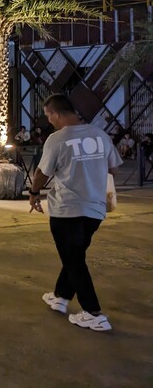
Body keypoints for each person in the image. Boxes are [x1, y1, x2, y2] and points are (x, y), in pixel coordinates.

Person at [28, 93, 121, 332]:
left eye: (49, 116)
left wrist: (34, 192)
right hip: (94, 209)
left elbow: (42, 172)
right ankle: (60, 297)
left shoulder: (57, 139)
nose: (49, 121)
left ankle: (94, 313)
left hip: (67, 209)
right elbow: (113, 169)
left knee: (74, 260)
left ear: (56, 114)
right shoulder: (100, 135)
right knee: (74, 256)